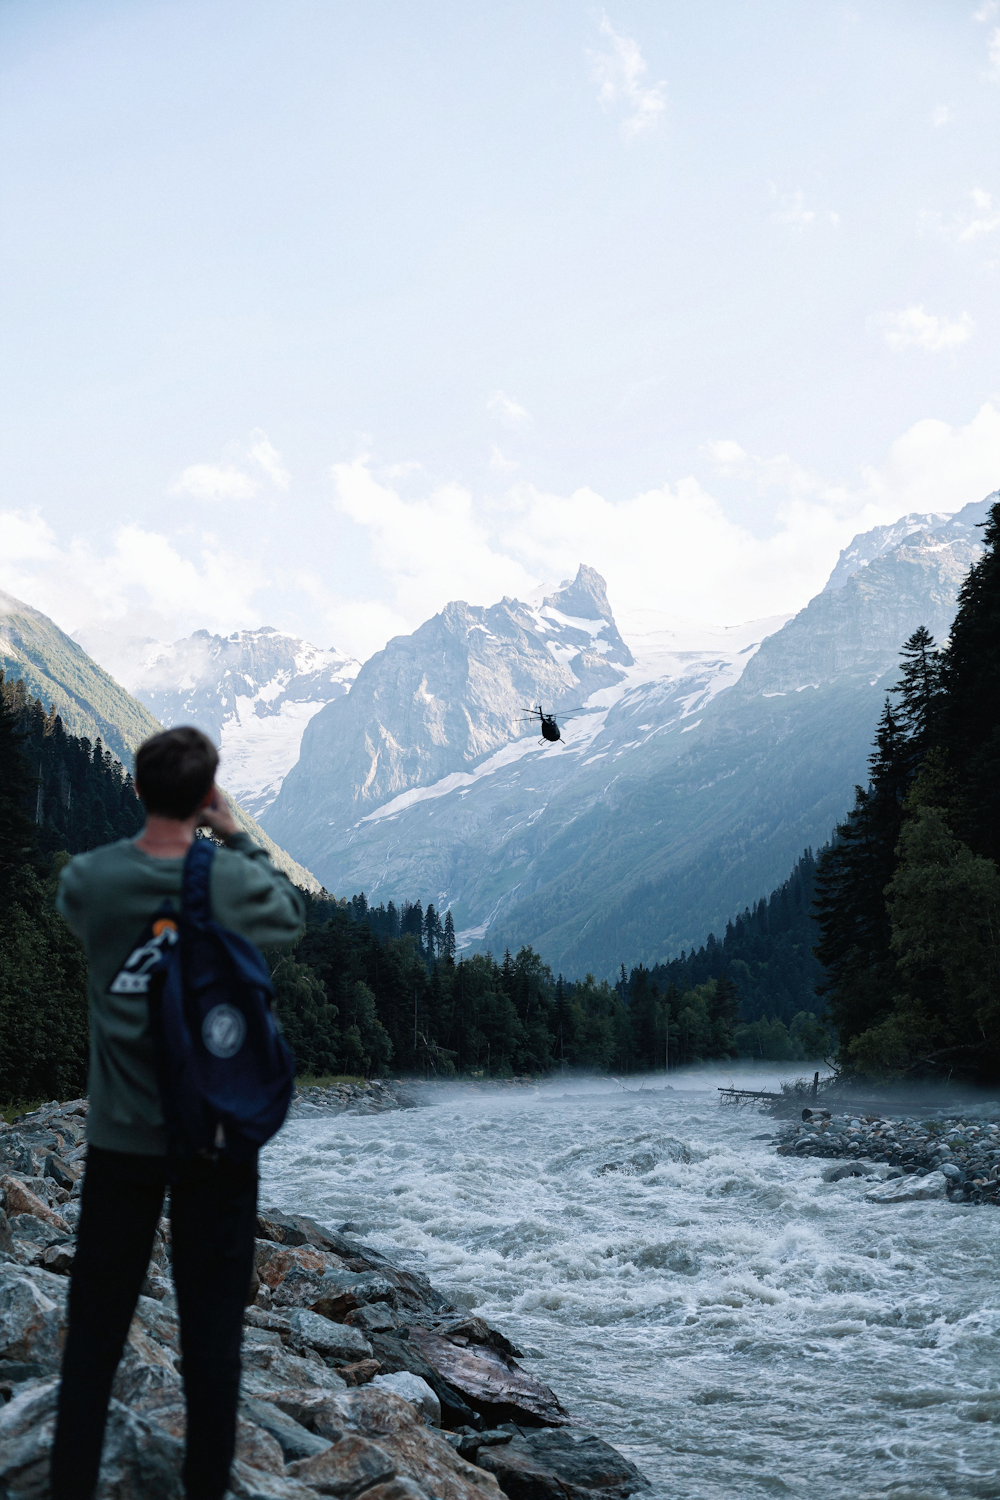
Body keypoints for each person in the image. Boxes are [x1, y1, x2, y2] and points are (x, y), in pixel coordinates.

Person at [50, 725, 306, 1500]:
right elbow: (287, 922)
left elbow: (80, 918)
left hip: (121, 1140)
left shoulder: (90, 881)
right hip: (216, 1136)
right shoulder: (224, 880)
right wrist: (237, 836)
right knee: (212, 1335)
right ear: (204, 797)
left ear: (135, 788)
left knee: (94, 1332)